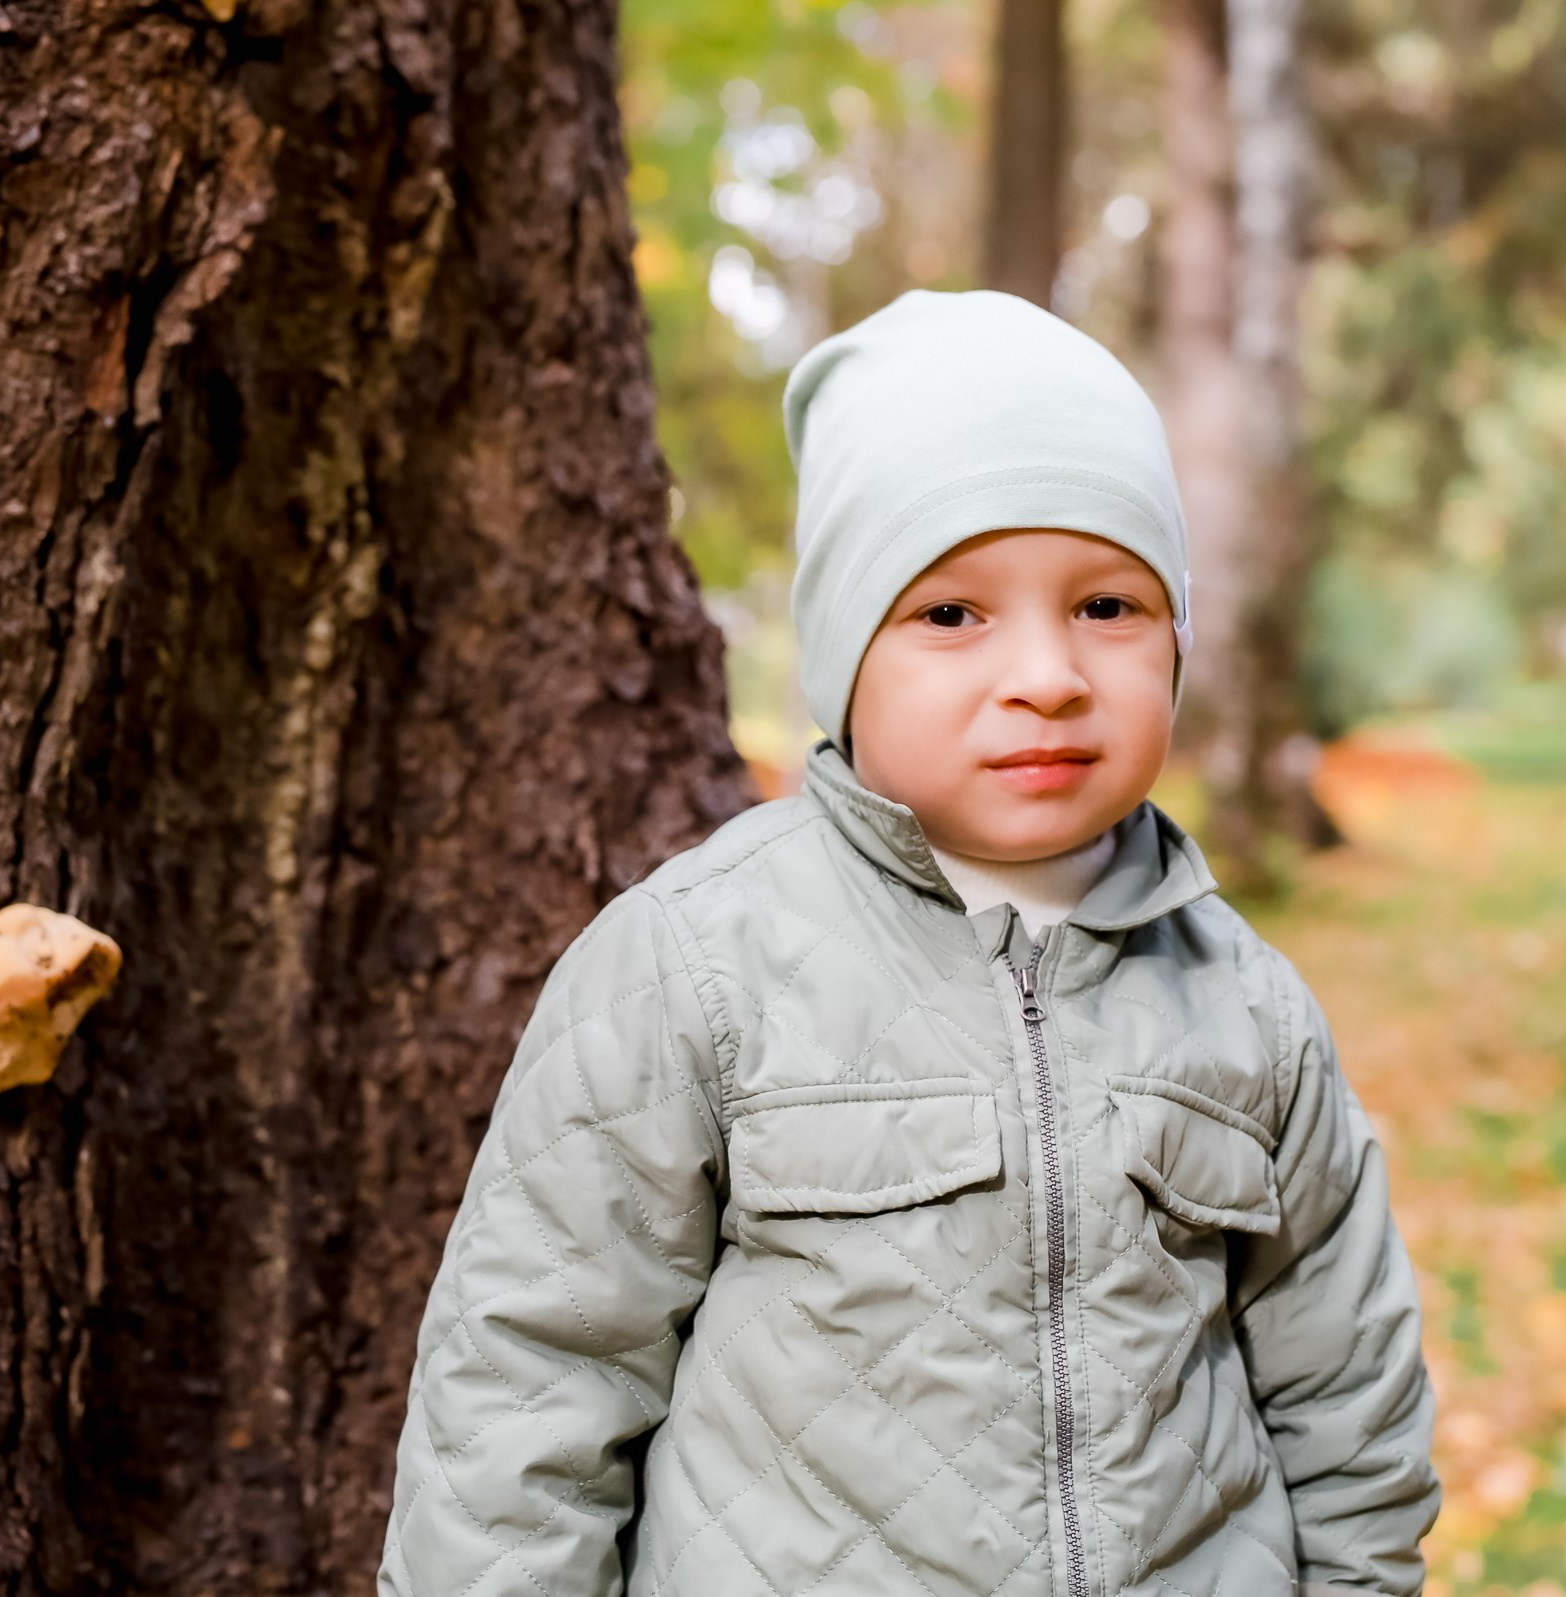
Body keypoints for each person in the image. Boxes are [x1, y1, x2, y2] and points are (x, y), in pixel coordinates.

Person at [377, 290, 1439, 1597]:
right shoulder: (694, 964)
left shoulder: (1243, 1003)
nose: (1049, 674)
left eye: (1108, 605)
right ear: (844, 653)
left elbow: (1350, 1406)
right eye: (951, 614)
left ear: (1177, 639)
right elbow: (527, 1386)